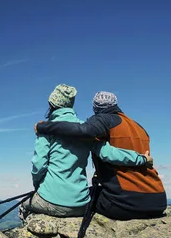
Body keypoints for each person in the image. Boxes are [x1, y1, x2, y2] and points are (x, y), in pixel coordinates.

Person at [19, 84, 153, 221]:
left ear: (51, 104)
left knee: (23, 204)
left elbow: (38, 166)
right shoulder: (86, 128)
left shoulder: (46, 129)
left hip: (50, 200)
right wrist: (141, 158)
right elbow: (109, 153)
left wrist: (39, 188)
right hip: (81, 203)